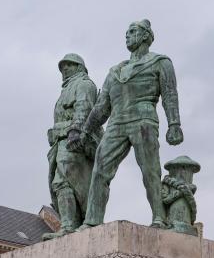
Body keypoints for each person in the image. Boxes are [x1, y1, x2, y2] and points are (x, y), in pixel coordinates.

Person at [69, 20, 183, 229]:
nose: (127, 36)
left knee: (150, 170)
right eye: (127, 33)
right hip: (117, 122)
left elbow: (169, 94)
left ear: (145, 36)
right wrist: (85, 131)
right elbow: (102, 107)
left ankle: (159, 217)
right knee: (100, 169)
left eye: (132, 32)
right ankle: (92, 220)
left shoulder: (160, 62)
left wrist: (174, 124)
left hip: (144, 118)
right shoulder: (115, 71)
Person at [43, 54, 101, 240]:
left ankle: (75, 223)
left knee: (71, 182)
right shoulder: (66, 89)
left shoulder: (84, 84)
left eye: (69, 65)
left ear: (79, 67)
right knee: (59, 183)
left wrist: (75, 130)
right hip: (61, 141)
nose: (65, 69)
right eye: (62, 66)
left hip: (74, 141)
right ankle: (68, 225)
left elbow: (84, 108)